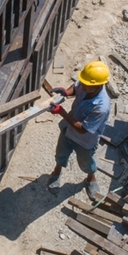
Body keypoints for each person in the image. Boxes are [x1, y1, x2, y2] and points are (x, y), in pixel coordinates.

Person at [47, 61, 111, 198]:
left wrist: (62, 112)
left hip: (85, 141)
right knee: (61, 154)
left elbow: (83, 129)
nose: (82, 85)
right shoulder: (87, 83)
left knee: (86, 162)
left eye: (86, 85)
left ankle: (90, 178)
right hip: (67, 130)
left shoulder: (101, 107)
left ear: (98, 85)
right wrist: (66, 92)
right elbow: (75, 87)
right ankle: (56, 172)